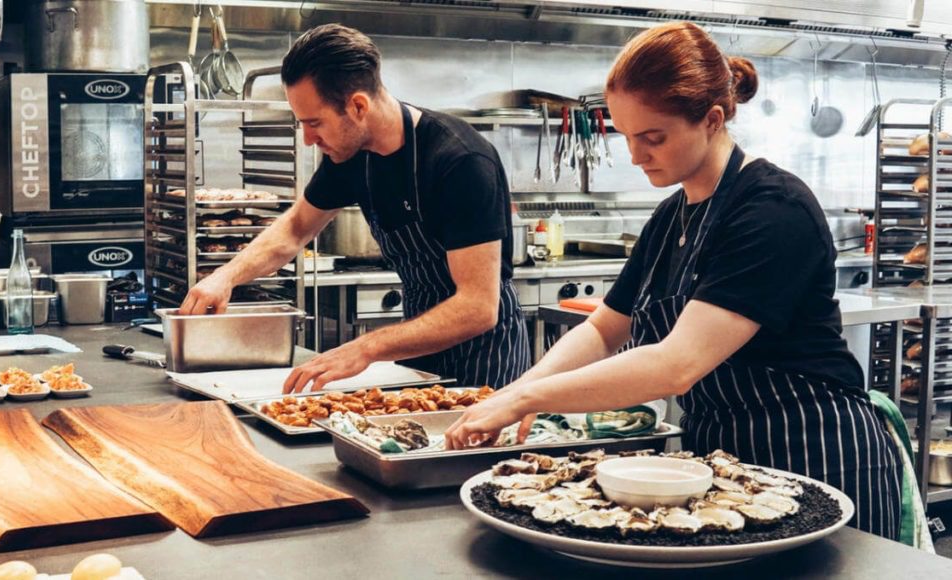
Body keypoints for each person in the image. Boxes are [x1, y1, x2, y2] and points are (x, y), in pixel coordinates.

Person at [445, 21, 902, 539]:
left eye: (653, 138)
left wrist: (530, 400)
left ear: (711, 119)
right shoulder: (670, 217)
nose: (636, 156)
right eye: (626, 137)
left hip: (816, 452)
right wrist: (517, 390)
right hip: (722, 464)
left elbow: (676, 365)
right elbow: (602, 331)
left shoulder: (772, 210)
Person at [179, 24, 529, 393]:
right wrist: (225, 277)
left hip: (487, 359)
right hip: (417, 348)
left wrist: (367, 347)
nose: (308, 139)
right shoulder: (351, 157)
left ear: (358, 106)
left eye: (315, 123)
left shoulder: (459, 160)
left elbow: (477, 307)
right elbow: (296, 227)